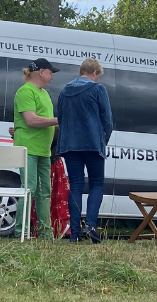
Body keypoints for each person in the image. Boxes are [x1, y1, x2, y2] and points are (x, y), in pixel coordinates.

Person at [58, 58, 113, 244]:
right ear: (95, 73)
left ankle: (74, 234)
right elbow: (108, 122)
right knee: (97, 183)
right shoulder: (98, 89)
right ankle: (89, 225)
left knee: (75, 185)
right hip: (92, 144)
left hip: (70, 146)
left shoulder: (65, 91)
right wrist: (102, 141)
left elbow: (61, 118)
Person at [12, 58, 60, 240]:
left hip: (44, 150)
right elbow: (31, 120)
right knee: (29, 189)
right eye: (50, 73)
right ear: (41, 71)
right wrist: (58, 120)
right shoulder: (25, 91)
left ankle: (46, 234)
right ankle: (21, 232)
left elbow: (45, 122)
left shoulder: (45, 94)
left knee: (45, 192)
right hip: (28, 149)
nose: (51, 77)